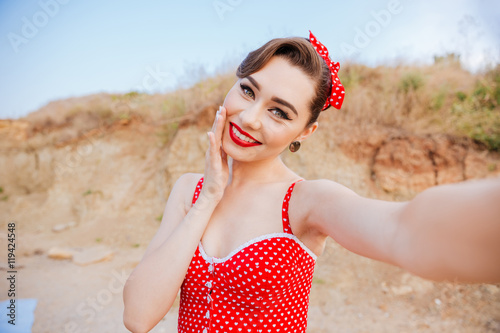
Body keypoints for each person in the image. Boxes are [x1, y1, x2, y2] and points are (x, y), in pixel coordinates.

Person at [122, 31, 500, 333]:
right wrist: (207, 201)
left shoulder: (306, 202)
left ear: (306, 130)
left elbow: (405, 230)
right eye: (248, 90)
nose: (251, 117)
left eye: (278, 112)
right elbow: (138, 317)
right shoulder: (190, 190)